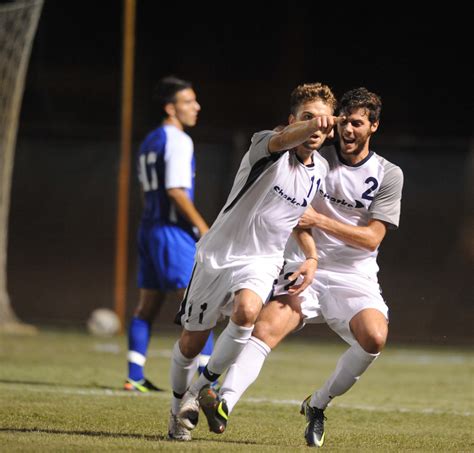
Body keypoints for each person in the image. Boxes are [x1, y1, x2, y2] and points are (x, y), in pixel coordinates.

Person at [205, 87, 404, 448]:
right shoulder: (316, 159)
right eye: (344, 122)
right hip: (304, 265)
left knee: (374, 338)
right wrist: (310, 255)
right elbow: (293, 216)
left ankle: (317, 404)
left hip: (355, 276)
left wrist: (321, 220)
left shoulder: (388, 174)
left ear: (374, 126)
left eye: (358, 124)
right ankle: (223, 402)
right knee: (265, 329)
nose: (348, 131)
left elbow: (372, 239)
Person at [167, 83, 339, 441]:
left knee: (247, 312)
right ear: (291, 120)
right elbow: (285, 140)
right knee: (190, 343)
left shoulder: (319, 169)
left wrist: (311, 256)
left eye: (321, 122)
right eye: (307, 118)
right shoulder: (267, 144)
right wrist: (316, 123)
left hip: (262, 260)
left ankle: (202, 389)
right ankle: (176, 412)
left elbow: (295, 217)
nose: (315, 128)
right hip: (218, 255)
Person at [124, 76, 214, 392]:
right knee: (201, 304)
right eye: (188, 101)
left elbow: (147, 188)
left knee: (146, 307)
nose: (196, 106)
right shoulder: (178, 140)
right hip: (171, 233)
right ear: (170, 108)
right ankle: (206, 381)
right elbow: (176, 191)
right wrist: (202, 228)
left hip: (149, 229)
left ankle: (134, 376)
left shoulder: (151, 140)